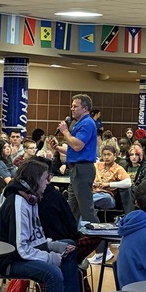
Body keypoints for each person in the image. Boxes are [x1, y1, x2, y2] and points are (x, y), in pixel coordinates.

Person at [0, 158, 80, 292]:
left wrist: (56, 246)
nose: (48, 182)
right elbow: (21, 248)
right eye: (45, 179)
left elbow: (37, 238)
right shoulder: (18, 202)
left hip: (21, 253)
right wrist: (50, 257)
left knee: (69, 246)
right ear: (34, 180)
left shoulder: (30, 199)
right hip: (10, 260)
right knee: (53, 273)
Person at [55, 93, 98, 224]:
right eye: (72, 106)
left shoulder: (87, 124)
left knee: (85, 208)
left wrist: (65, 132)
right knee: (72, 208)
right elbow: (73, 150)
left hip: (83, 169)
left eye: (75, 106)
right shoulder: (79, 123)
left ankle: (97, 237)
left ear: (85, 108)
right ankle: (72, 235)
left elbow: (77, 145)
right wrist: (57, 148)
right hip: (76, 168)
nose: (72, 109)